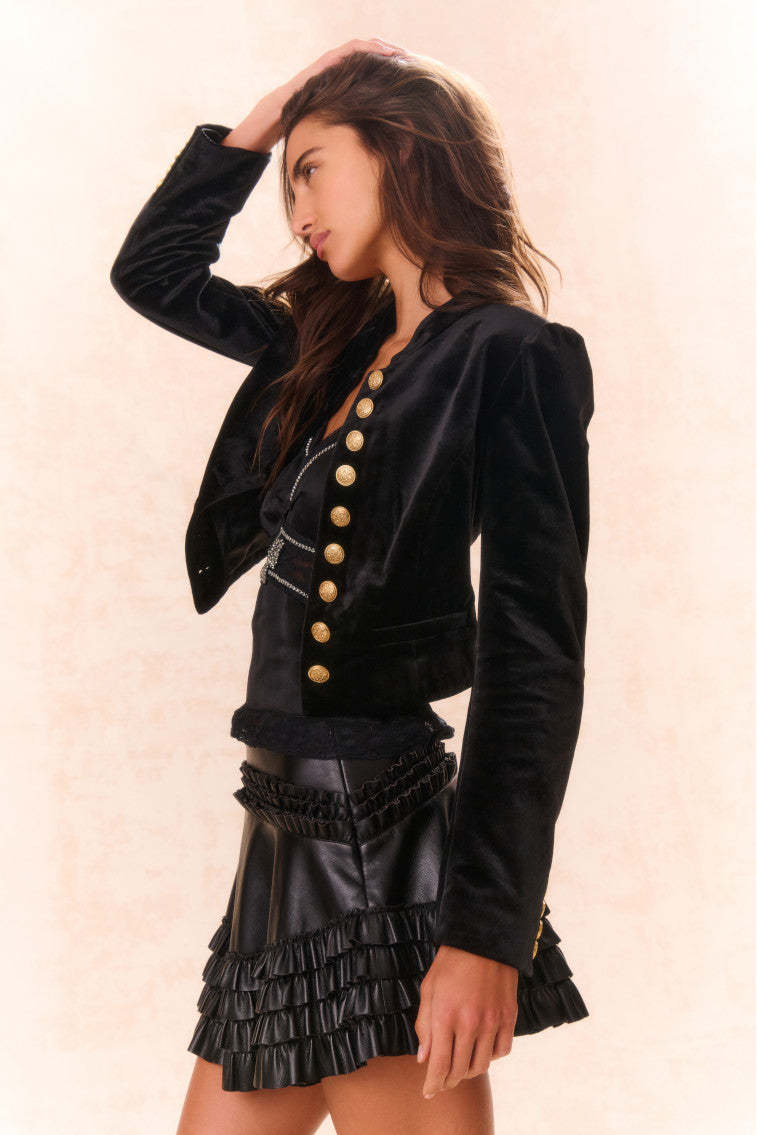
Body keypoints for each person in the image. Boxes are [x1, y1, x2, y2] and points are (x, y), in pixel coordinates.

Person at [110, 37, 593, 1135]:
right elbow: (154, 274)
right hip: (280, 835)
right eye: (288, 183)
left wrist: (486, 932)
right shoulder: (328, 341)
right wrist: (275, 114)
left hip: (376, 844)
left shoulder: (510, 353)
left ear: (401, 150)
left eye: (312, 169)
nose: (298, 213)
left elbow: (534, 660)